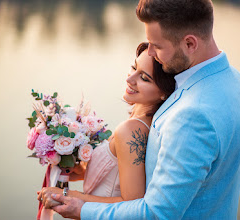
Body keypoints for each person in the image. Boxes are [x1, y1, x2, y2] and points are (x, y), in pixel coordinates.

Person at [42, 0, 240, 219]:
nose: (150, 51)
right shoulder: (232, 80)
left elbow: (156, 212)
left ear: (190, 44)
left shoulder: (193, 114)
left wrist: (80, 208)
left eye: (157, 46)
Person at [37, 42, 176, 208]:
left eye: (144, 78)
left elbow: (132, 204)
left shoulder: (132, 130)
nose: (129, 79)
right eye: (134, 67)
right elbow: (125, 176)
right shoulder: (146, 122)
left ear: (164, 92)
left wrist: (69, 194)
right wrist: (84, 172)